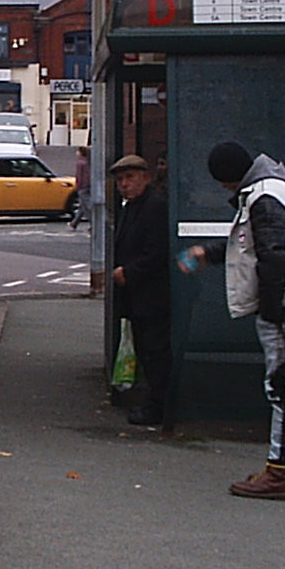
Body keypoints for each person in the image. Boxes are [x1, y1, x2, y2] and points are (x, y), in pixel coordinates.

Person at [180, 141, 285, 501]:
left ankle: (278, 472)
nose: (224, 188)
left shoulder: (264, 198)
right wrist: (208, 253)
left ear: (230, 176)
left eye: (223, 182)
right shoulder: (273, 189)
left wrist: (271, 309)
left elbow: (272, 256)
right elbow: (253, 244)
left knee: (281, 387)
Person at [109, 154, 171, 426]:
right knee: (146, 351)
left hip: (152, 295)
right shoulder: (130, 208)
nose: (124, 184)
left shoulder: (154, 207)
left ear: (145, 178)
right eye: (120, 180)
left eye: (130, 178)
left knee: (155, 352)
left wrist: (129, 272)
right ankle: (151, 402)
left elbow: (158, 251)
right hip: (137, 296)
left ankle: (158, 406)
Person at [69, 145, 91, 228]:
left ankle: (94, 223)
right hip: (88, 185)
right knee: (82, 206)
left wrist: (78, 186)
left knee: (87, 207)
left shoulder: (80, 163)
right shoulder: (86, 161)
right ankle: (74, 223)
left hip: (82, 186)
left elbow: (79, 176)